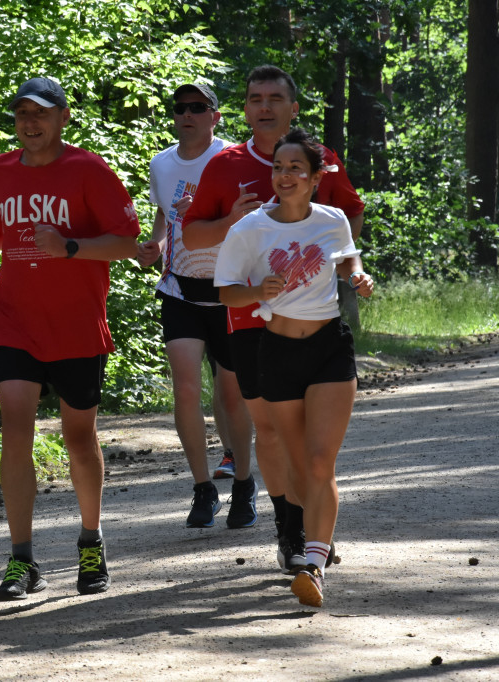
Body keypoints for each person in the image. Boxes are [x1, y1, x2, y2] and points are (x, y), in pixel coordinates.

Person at [0, 77, 140, 601]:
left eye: (39, 114)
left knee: (78, 439)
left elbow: (126, 243)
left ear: (63, 117)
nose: (28, 123)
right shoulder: (0, 170)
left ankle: (91, 540)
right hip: (15, 320)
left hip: (76, 324)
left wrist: (67, 246)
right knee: (14, 429)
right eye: (21, 114)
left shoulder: (87, 170)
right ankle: (22, 560)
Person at [182, 65, 365, 573]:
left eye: (274, 98)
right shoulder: (224, 165)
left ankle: (314, 537)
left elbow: (349, 215)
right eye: (254, 98)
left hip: (315, 318)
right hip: (250, 320)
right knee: (272, 430)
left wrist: (341, 268)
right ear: (244, 109)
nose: (263, 106)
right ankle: (291, 529)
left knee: (312, 444)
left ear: (293, 108)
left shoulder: (320, 159)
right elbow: (192, 237)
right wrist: (232, 220)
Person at [214, 128, 374, 607]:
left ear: (315, 176)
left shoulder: (332, 219)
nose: (284, 176)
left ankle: (313, 565)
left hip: (328, 347)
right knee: (300, 459)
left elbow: (345, 259)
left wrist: (357, 274)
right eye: (278, 168)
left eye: (294, 169)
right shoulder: (250, 229)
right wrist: (257, 291)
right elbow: (226, 292)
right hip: (277, 351)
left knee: (322, 460)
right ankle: (312, 538)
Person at [137, 83, 255, 529]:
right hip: (180, 289)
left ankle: (244, 482)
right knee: (185, 387)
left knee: (230, 393)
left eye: (197, 107)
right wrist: (155, 244)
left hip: (230, 290)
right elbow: (165, 218)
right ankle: (203, 489)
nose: (187, 114)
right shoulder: (161, 164)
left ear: (215, 116)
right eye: (180, 108)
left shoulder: (235, 159)